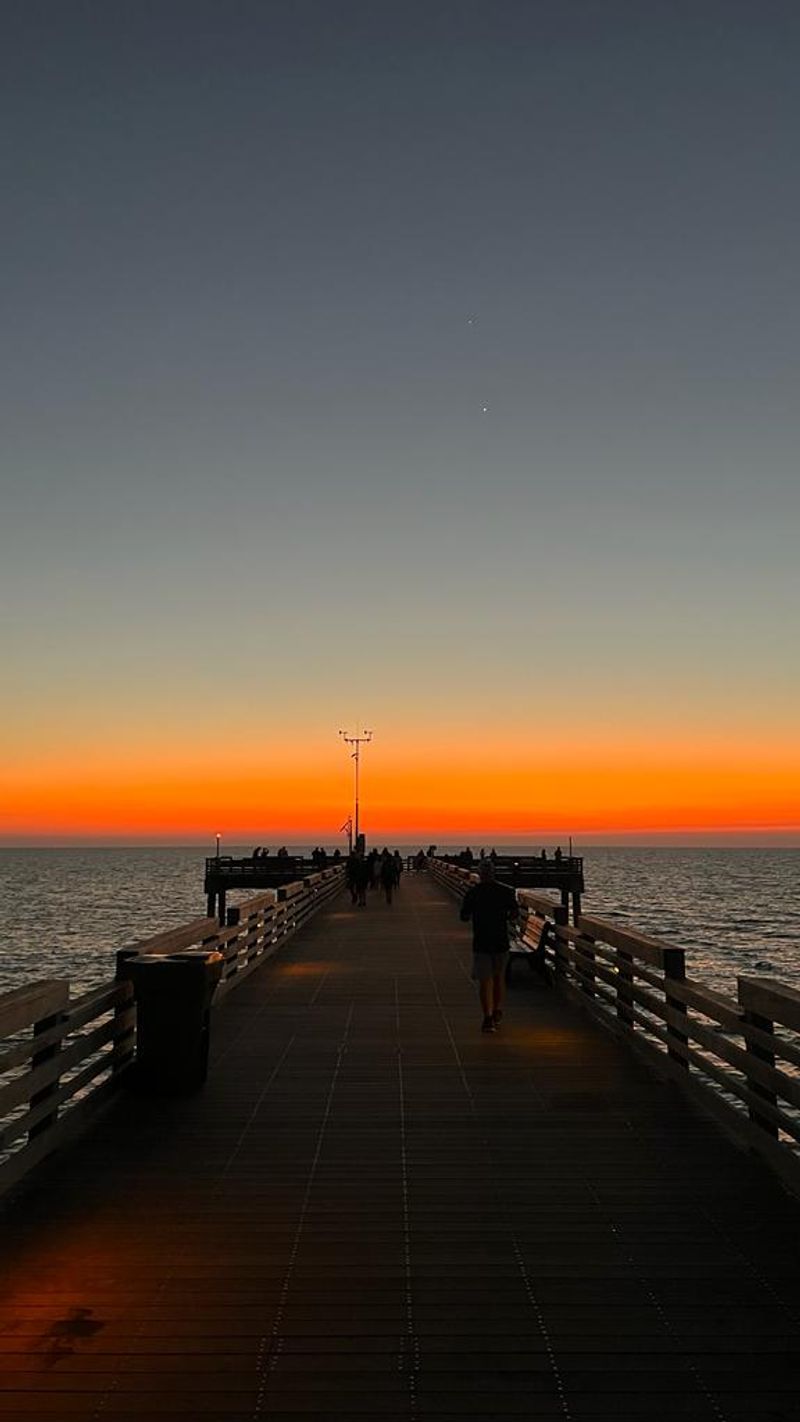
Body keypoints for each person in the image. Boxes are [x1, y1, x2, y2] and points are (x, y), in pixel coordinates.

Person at [459, 860, 519, 1034]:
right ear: (494, 873)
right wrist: (505, 917)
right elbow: (514, 913)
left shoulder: (473, 893)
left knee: (485, 980)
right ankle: (497, 1009)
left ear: (479, 874)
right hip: (501, 940)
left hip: (481, 941)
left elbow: (464, 916)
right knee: (498, 977)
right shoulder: (505, 892)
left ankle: (488, 1017)